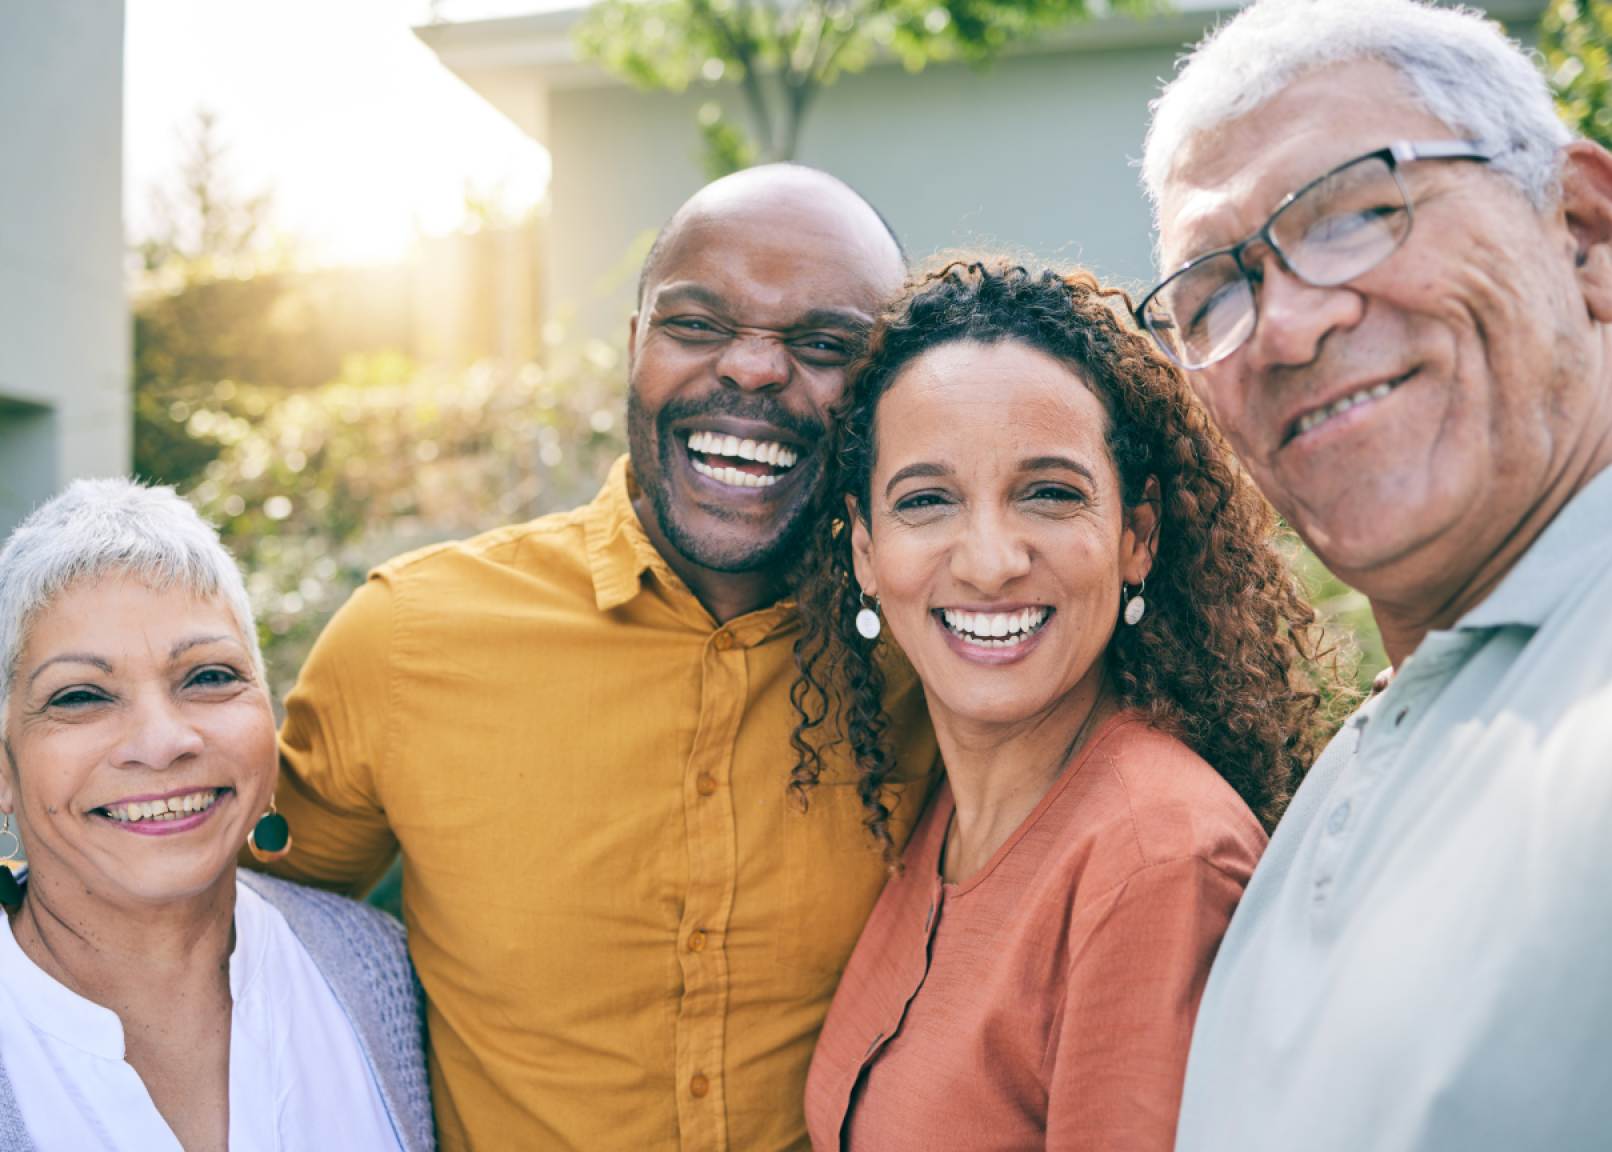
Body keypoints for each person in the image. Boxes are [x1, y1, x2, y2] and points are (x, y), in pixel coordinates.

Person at [259, 164, 938, 1151]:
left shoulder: (940, 660)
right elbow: (234, 947)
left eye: (825, 344)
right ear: (634, 348)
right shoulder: (406, 642)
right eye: (696, 325)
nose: (750, 370)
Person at [1135, 1, 1612, 1148]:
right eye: (1215, 293)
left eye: (1351, 212)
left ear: (1583, 232)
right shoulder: (1359, 763)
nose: (1283, 328)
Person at [793, 259, 1334, 1150]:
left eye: (1049, 493)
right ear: (864, 548)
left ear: (1137, 535)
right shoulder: (946, 810)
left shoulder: (1158, 866)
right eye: (927, 500)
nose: (990, 560)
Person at [0, 479, 431, 1152]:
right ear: (4, 768)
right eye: (81, 695)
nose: (163, 741)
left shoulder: (383, 969)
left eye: (208, 676)